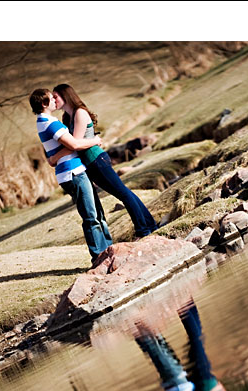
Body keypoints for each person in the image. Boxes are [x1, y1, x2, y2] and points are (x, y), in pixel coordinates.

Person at [49, 83, 158, 239]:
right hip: (90, 164)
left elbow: (76, 144)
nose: (53, 99)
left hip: (97, 160)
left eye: (55, 96)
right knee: (124, 193)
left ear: (65, 95)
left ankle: (143, 230)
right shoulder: (68, 116)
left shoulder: (79, 113)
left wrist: (55, 157)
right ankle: (150, 225)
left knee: (123, 194)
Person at [29, 88, 113, 266]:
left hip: (74, 171)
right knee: (91, 216)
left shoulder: (44, 121)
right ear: (44, 104)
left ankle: (109, 251)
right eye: (52, 99)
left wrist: (53, 158)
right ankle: (99, 257)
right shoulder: (49, 123)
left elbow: (59, 151)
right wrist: (95, 141)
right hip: (73, 173)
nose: (55, 101)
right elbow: (74, 144)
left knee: (97, 213)